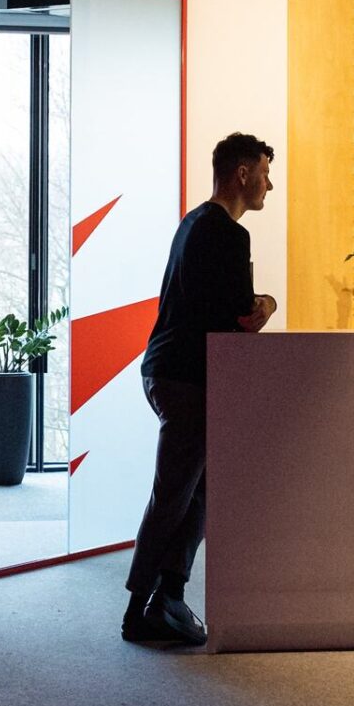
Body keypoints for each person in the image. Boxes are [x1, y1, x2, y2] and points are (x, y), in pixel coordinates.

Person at [125, 132, 277, 646]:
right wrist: (269, 303)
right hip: (187, 378)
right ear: (242, 173)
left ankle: (169, 597)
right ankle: (136, 610)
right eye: (264, 174)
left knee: (200, 490)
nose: (269, 186)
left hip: (166, 369)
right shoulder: (230, 234)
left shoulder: (192, 222)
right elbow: (242, 315)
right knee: (173, 494)